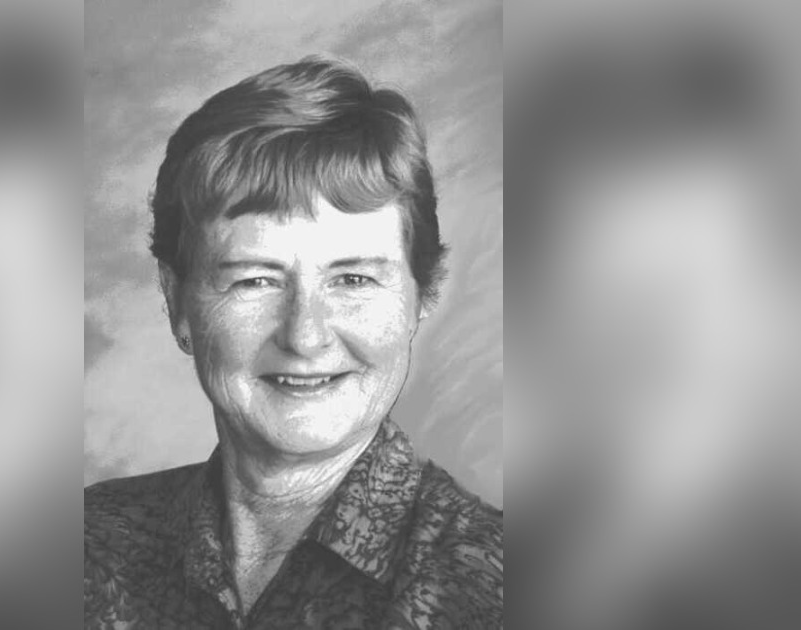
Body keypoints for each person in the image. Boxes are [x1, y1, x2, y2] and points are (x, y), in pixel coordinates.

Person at [85, 56, 503, 629]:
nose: (305, 336)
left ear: (422, 293)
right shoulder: (87, 547)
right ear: (176, 300)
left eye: (353, 279)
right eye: (255, 280)